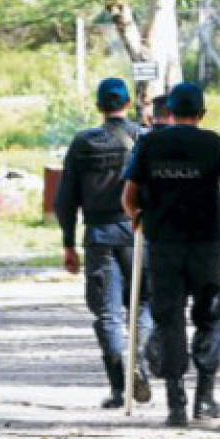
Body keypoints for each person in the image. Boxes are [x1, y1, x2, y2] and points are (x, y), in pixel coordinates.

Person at [122, 82, 220, 427]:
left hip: (163, 246)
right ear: (201, 113)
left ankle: (176, 403)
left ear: (169, 112)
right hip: (206, 246)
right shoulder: (214, 143)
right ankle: (205, 397)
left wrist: (137, 216)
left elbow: (129, 195)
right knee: (210, 317)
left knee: (169, 321)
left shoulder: (149, 143)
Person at [55, 77, 153, 408]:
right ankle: (138, 363)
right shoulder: (143, 138)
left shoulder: (82, 143)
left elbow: (65, 197)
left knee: (108, 315)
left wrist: (68, 243)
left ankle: (118, 385)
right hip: (138, 233)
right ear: (129, 103)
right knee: (143, 304)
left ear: (99, 107)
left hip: (98, 236)